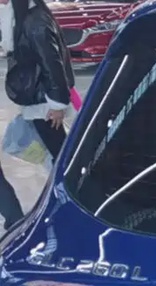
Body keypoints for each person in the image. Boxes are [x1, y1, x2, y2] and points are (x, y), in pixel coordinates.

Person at [0, 0, 75, 230]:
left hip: (46, 104)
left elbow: (52, 64)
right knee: (57, 156)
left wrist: (57, 103)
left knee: (60, 158)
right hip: (40, 101)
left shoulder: (35, 21)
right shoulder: (28, 18)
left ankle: (70, 203)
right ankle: (66, 201)